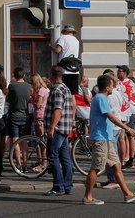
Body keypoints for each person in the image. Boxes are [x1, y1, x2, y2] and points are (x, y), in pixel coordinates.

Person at [83, 73, 135, 205]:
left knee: (116, 165)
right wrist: (127, 128)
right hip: (101, 138)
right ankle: (88, 197)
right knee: (96, 167)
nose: (113, 87)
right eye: (112, 85)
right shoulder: (100, 98)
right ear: (107, 87)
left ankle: (127, 194)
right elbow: (111, 116)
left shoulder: (99, 97)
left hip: (107, 137)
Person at [44, 65, 74, 196]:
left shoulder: (56, 90)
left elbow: (58, 110)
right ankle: (67, 185)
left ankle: (58, 186)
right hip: (65, 127)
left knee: (52, 155)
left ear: (53, 75)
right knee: (65, 157)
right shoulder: (66, 88)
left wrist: (51, 128)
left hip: (57, 128)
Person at [5, 67, 32, 169]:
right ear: (23, 75)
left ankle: (19, 164)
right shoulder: (29, 86)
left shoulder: (12, 86)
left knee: (15, 140)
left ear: (14, 75)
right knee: (24, 140)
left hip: (14, 115)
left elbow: (8, 101)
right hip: (25, 115)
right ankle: (25, 163)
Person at [51, 25, 81, 94]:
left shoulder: (63, 38)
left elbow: (58, 50)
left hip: (65, 70)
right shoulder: (76, 40)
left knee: (63, 92)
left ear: (65, 31)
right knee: (73, 94)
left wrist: (51, 47)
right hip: (75, 71)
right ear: (73, 32)